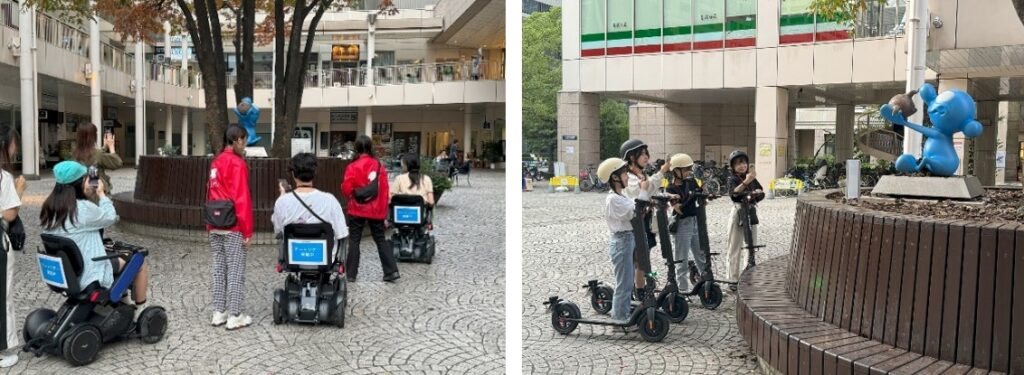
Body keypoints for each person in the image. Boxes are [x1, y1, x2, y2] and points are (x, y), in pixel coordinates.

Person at [40, 162, 150, 316]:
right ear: (80, 183)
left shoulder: (49, 207)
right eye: (86, 178)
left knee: (118, 258)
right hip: (89, 273)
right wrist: (101, 194)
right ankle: (141, 311)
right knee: (138, 261)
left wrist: (86, 194)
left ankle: (121, 306)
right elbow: (111, 217)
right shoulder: (82, 209)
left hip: (68, 273)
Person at [206, 125, 254, 330]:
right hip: (233, 224)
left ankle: (219, 312)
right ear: (237, 140)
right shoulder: (237, 163)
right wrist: (248, 231)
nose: (245, 145)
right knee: (235, 269)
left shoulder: (215, 162)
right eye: (244, 140)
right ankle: (235, 315)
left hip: (214, 221)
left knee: (219, 268)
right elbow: (241, 198)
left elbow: (211, 192)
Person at [342, 135, 400, 282]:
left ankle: (351, 274)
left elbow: (347, 189)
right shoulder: (379, 166)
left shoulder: (352, 167)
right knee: (380, 239)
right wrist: (383, 211)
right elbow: (384, 190)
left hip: (356, 207)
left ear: (356, 149)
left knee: (354, 240)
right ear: (370, 147)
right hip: (375, 208)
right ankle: (391, 271)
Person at [619, 139, 669, 300]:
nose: (646, 157)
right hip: (634, 224)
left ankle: (645, 283)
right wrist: (661, 173)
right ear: (632, 157)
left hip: (645, 221)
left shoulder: (641, 174)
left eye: (646, 153)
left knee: (644, 256)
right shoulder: (629, 177)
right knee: (640, 258)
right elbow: (637, 195)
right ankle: (639, 291)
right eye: (642, 154)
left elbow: (650, 188)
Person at [271, 153, 349, 256]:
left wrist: (282, 196)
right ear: (314, 172)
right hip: (325, 258)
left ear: (293, 174)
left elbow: (278, 229)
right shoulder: (330, 200)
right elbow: (342, 232)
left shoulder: (282, 201)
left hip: (293, 256)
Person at [597, 157, 635, 322]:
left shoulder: (621, 195)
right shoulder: (614, 199)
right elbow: (632, 212)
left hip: (627, 239)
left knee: (627, 281)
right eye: (625, 173)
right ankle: (619, 317)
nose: (627, 176)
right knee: (624, 283)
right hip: (622, 241)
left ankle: (623, 311)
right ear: (614, 177)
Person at [0, 125, 23, 368]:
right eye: (14, 144)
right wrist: (18, 191)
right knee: (2, 296)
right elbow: (9, 214)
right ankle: (3, 351)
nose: (16, 149)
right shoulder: (3, 177)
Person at [665, 153, 706, 293]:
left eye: (689, 169)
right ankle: (682, 290)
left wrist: (702, 196)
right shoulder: (670, 189)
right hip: (682, 224)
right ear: (676, 171)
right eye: (685, 169)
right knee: (681, 259)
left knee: (701, 255)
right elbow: (679, 209)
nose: (688, 172)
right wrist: (691, 197)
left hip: (695, 221)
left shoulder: (691, 182)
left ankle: (707, 285)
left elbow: (700, 195)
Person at [724, 150, 764, 291]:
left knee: (751, 245)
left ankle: (748, 276)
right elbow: (734, 193)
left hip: (751, 210)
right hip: (739, 211)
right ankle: (733, 279)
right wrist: (747, 181)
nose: (743, 166)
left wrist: (757, 193)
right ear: (733, 166)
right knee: (735, 246)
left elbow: (760, 190)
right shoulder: (732, 178)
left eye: (744, 162)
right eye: (739, 163)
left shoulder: (751, 177)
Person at [73, 123, 122, 197]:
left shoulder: (75, 153)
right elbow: (117, 163)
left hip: (80, 192)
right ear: (93, 137)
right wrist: (111, 147)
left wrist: (104, 147)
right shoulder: (97, 154)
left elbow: (95, 157)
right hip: (96, 194)